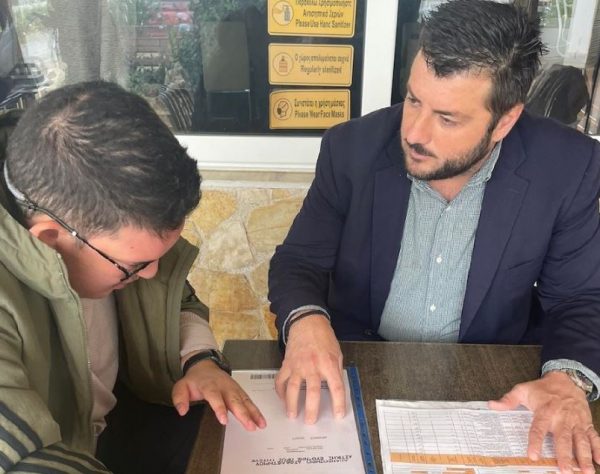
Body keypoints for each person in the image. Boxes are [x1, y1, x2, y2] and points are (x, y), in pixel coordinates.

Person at [268, 1, 600, 473]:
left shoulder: (566, 167)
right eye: (413, 100)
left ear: (505, 121)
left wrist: (567, 379)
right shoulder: (352, 149)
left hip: (491, 385)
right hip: (358, 366)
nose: (414, 133)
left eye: (447, 118)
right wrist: (306, 322)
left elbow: (580, 298)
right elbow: (299, 260)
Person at [0, 81, 265, 474]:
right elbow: (25, 462)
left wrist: (201, 361)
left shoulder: (105, 221)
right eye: (134, 265)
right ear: (51, 240)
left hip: (123, 415)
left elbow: (174, 299)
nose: (151, 273)